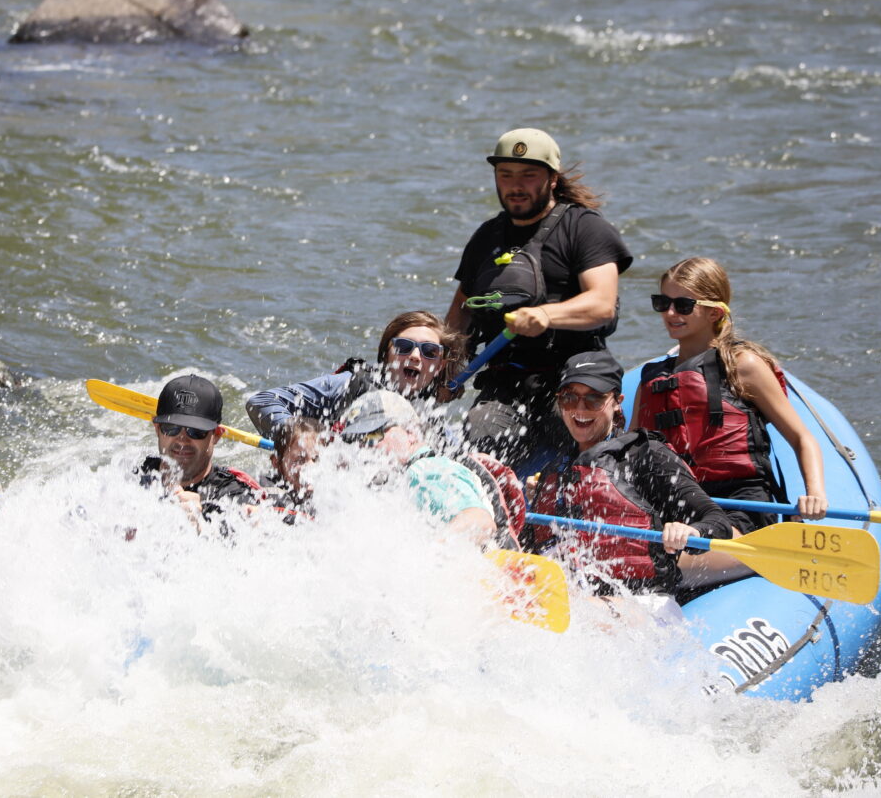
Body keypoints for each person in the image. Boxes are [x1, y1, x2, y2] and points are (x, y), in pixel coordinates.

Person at [444, 127, 632, 473]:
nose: (516, 185)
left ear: (553, 179)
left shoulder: (586, 229)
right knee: (480, 430)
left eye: (529, 175)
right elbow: (459, 318)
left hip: (576, 381)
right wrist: (446, 371)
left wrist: (546, 315)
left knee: (583, 452)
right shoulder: (486, 237)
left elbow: (602, 303)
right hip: (506, 386)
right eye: (506, 175)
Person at [631, 258, 827, 581]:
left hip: (740, 511)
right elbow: (631, 455)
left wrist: (815, 492)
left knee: (659, 561)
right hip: (677, 509)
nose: (669, 314)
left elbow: (802, 438)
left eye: (682, 305)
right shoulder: (650, 381)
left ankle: (770, 553)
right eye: (662, 303)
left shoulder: (742, 366)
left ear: (715, 312)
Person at [526, 350, 733, 609]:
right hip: (576, 603)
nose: (579, 409)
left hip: (643, 604)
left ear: (616, 401)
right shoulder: (554, 471)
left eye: (594, 398)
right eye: (569, 397)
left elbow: (718, 522)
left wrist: (691, 530)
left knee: (581, 609)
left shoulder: (645, 455)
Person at [0, 374, 265, 532]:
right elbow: (59, 526)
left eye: (197, 432)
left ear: (217, 435)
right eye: (172, 429)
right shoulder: (134, 476)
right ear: (156, 428)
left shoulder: (237, 493)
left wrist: (199, 528)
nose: (182, 440)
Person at [339, 390, 523, 550]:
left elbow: (479, 522)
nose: (365, 446)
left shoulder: (424, 471)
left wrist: (427, 553)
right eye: (358, 440)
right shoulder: (420, 469)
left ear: (410, 431)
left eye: (374, 434)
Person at [246, 310, 462, 441]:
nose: (415, 356)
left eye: (430, 352)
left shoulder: (430, 415)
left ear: (440, 365)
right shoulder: (349, 384)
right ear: (387, 354)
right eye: (404, 347)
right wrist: (302, 438)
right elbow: (262, 401)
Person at [263, 415, 326, 518]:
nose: (311, 466)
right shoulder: (268, 495)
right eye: (300, 460)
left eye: (316, 459)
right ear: (276, 463)